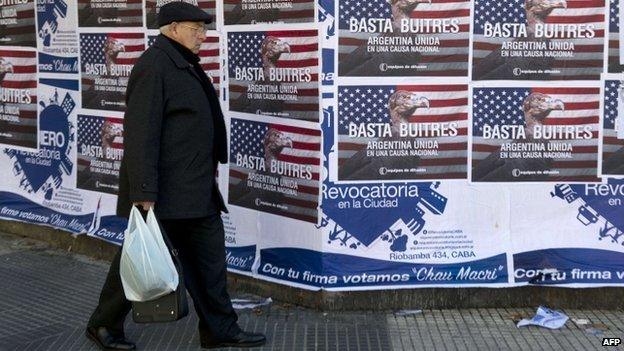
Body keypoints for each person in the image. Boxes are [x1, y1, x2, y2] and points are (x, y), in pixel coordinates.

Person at [85, 2, 266, 350]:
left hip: (197, 189)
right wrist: (143, 191)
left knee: (209, 265)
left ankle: (220, 330)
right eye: (195, 29)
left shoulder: (183, 63)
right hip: (163, 193)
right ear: (171, 28)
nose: (203, 36)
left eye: (205, 29)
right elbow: (140, 133)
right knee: (141, 260)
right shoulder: (154, 66)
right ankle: (103, 324)